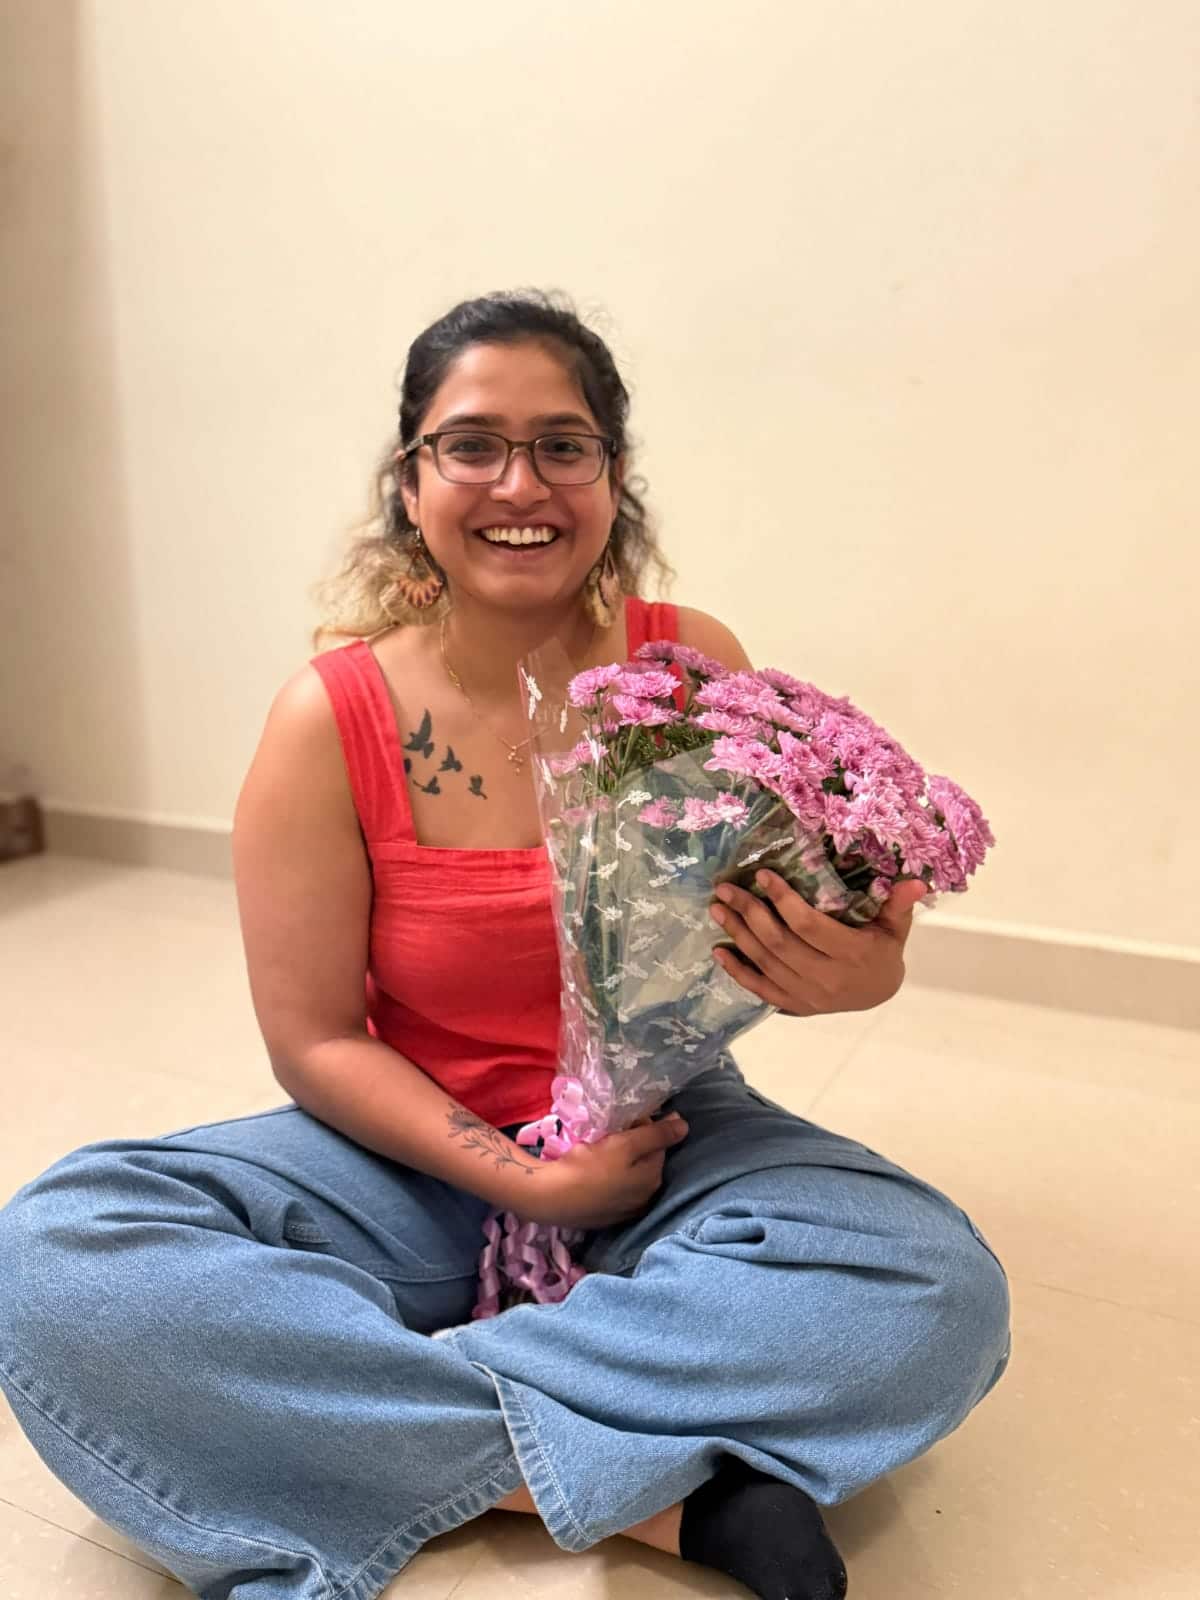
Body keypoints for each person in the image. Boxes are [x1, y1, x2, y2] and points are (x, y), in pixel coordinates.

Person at [0, 290, 1011, 1600]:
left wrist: (859, 969)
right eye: (471, 444)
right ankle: (665, 1498)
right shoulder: (330, 718)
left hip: (667, 1140)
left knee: (933, 1288)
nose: (517, 482)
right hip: (411, 1147)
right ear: (411, 480)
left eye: (562, 444)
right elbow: (314, 1040)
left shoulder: (691, 666)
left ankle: (341, 1414)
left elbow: (767, 921)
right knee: (63, 1249)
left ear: (613, 476)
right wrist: (526, 1185)